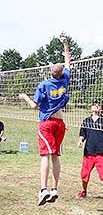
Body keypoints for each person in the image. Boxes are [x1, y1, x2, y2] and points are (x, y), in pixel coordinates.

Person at [19, 35, 70, 206]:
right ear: (61, 73)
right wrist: (65, 45)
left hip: (47, 124)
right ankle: (54, 189)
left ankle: (43, 190)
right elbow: (68, 62)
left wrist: (25, 97)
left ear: (51, 72)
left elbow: (35, 106)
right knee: (55, 156)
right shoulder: (65, 79)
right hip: (60, 123)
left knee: (44, 156)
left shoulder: (44, 85)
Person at [77, 101, 103, 205]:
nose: (96, 106)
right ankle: (83, 191)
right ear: (91, 108)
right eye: (94, 104)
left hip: (101, 152)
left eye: (99, 105)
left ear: (101, 108)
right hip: (89, 152)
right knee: (84, 174)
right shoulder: (86, 121)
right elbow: (82, 134)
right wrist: (81, 141)